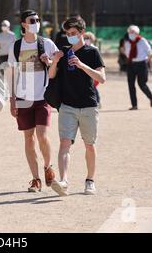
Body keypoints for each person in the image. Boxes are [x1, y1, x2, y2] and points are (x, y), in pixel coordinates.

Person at [48, 15, 106, 196]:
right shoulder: (64, 52)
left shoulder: (92, 52)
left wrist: (82, 65)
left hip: (88, 105)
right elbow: (51, 76)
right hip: (67, 106)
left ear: (82, 32)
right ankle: (64, 181)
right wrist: (55, 61)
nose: (70, 36)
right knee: (64, 143)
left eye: (73, 33)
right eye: (67, 33)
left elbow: (101, 78)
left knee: (89, 144)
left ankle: (90, 180)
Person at [7, 10, 58, 193]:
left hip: (43, 97)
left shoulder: (47, 43)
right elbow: (12, 73)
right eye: (32, 20)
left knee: (42, 136)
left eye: (37, 20)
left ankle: (48, 167)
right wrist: (12, 98)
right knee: (29, 139)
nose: (36, 22)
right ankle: (35, 179)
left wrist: (50, 61)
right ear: (23, 24)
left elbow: (57, 67)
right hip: (22, 97)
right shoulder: (15, 46)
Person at [125, 25, 152, 111]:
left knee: (142, 84)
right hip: (131, 64)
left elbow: (149, 52)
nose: (131, 34)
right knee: (131, 85)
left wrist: (148, 62)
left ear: (137, 33)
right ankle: (134, 105)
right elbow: (127, 53)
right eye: (130, 32)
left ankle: (150, 97)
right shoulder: (127, 42)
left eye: (133, 32)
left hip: (142, 64)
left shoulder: (142, 41)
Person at [84, 32, 101, 107]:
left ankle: (97, 101)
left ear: (92, 39)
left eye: (88, 38)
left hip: (93, 70)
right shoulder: (82, 48)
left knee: (93, 86)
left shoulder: (95, 49)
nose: (86, 40)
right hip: (85, 70)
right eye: (85, 38)